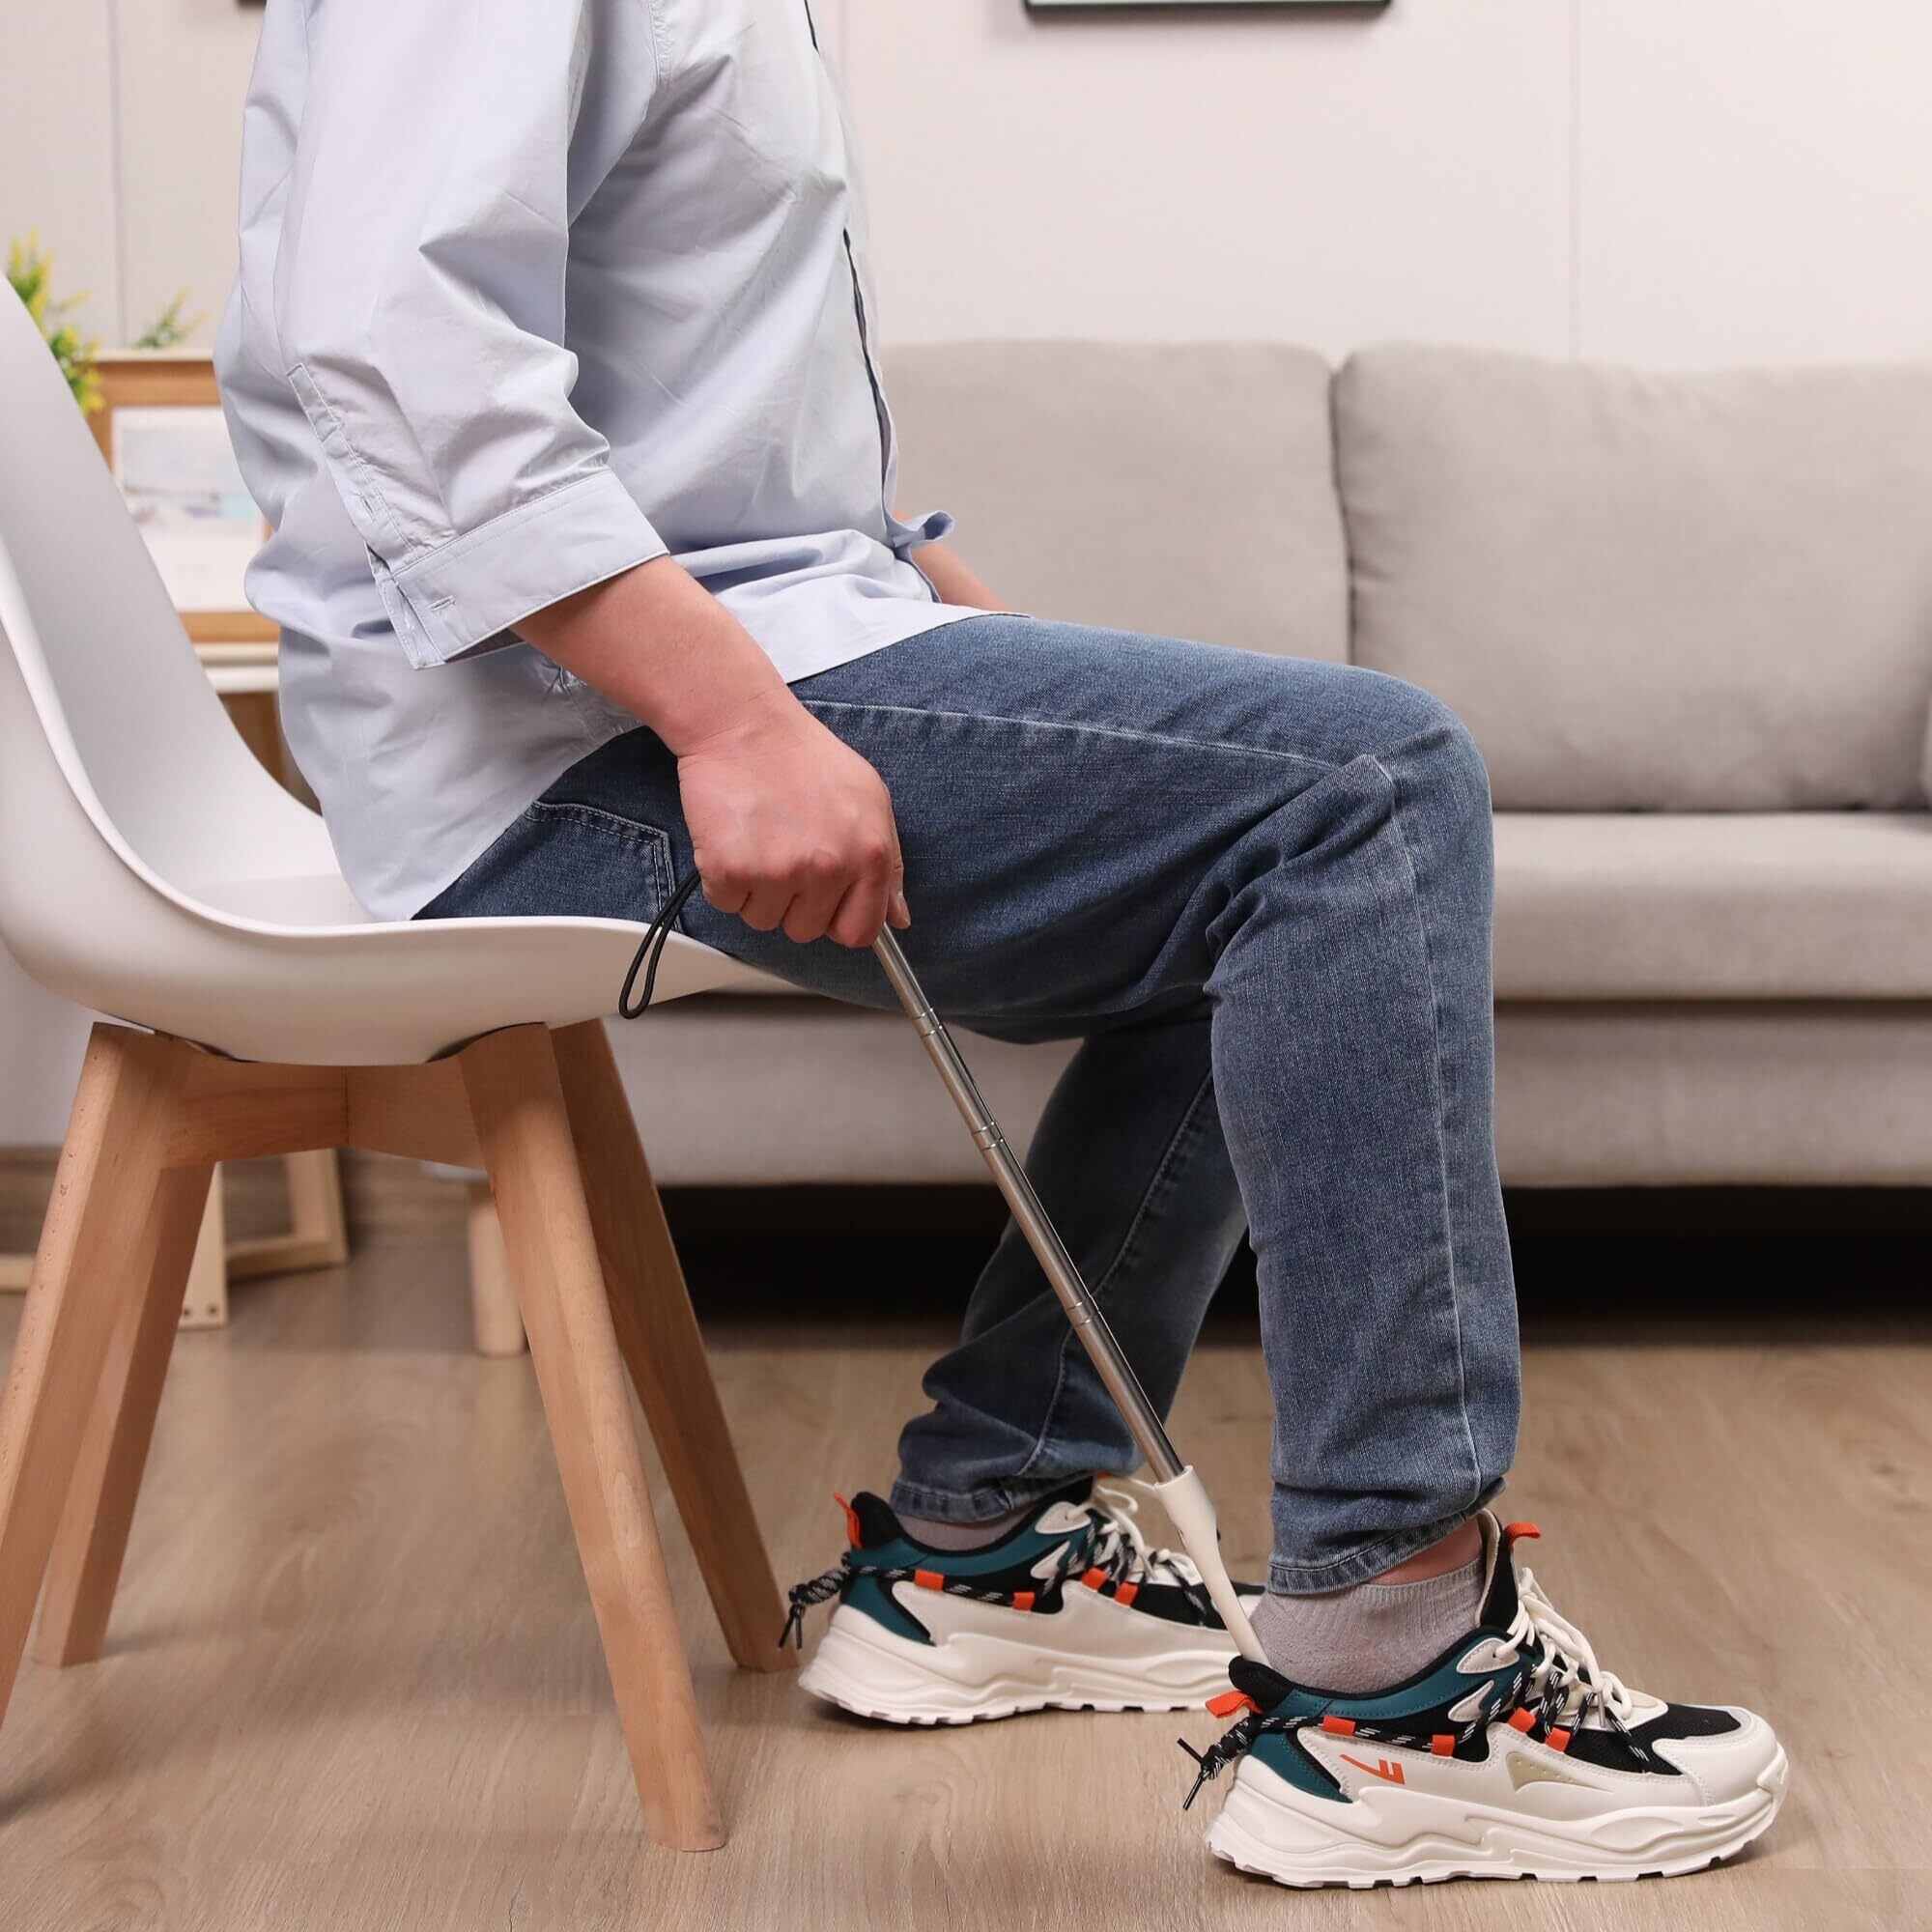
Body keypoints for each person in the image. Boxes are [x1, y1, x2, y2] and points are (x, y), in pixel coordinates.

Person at [217, 0, 1785, 1888]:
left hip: (717, 651)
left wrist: (894, 569)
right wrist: (728, 713)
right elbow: (392, 345)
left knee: (1259, 853)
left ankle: (989, 1541)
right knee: (1361, 797)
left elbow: (677, 375)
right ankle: (1400, 1682)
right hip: (552, 731)